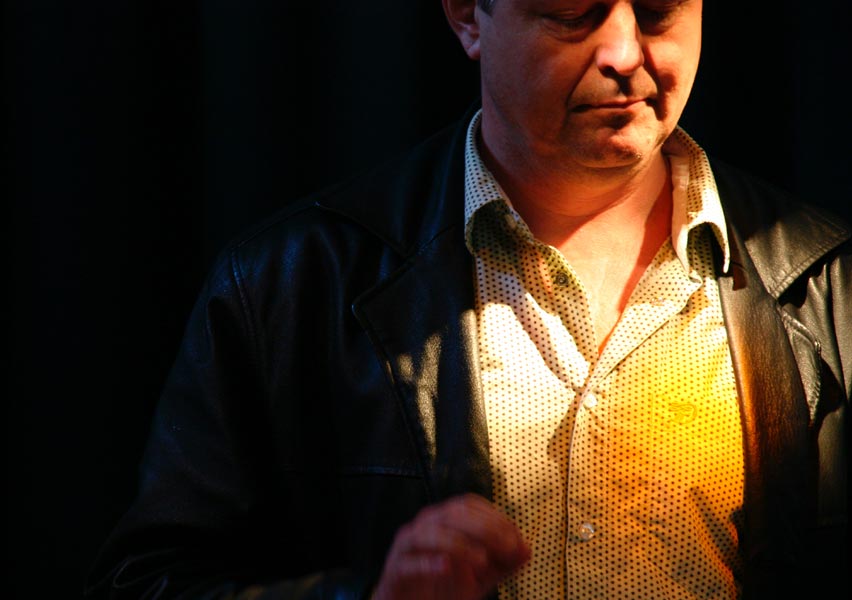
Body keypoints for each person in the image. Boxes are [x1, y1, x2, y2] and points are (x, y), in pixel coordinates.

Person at [85, 0, 850, 598]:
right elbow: (145, 584)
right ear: (465, 16)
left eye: (658, 11)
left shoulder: (828, 283)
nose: (623, 52)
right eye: (571, 13)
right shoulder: (290, 283)